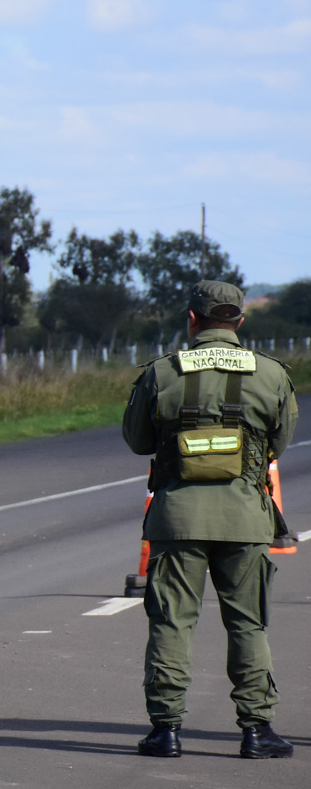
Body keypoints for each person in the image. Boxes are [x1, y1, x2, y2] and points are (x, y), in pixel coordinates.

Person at [122, 280, 297, 759]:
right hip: (244, 519)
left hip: (177, 518)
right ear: (239, 321)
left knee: (172, 624)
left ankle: (165, 731)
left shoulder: (162, 373)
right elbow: (279, 444)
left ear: (192, 319)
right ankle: (256, 731)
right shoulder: (271, 374)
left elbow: (138, 440)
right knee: (248, 625)